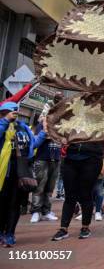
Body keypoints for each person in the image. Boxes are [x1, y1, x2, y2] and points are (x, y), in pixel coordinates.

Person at [0, 102, 47, 247]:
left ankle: (10, 233)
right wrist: (5, 121)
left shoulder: (23, 127)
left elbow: (33, 145)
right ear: (4, 112)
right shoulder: (3, 125)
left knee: (15, 204)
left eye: (16, 111)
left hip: (21, 171)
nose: (15, 113)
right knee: (2, 203)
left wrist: (44, 133)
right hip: (3, 172)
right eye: (11, 111)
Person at [51, 138, 104, 241]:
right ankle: (63, 228)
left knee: (86, 193)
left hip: (92, 158)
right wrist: (61, 139)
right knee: (70, 195)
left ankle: (85, 227)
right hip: (70, 157)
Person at [30, 119, 61, 223]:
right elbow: (36, 141)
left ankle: (46, 211)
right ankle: (35, 211)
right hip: (42, 159)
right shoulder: (41, 124)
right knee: (39, 186)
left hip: (56, 159)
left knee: (50, 188)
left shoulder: (61, 124)